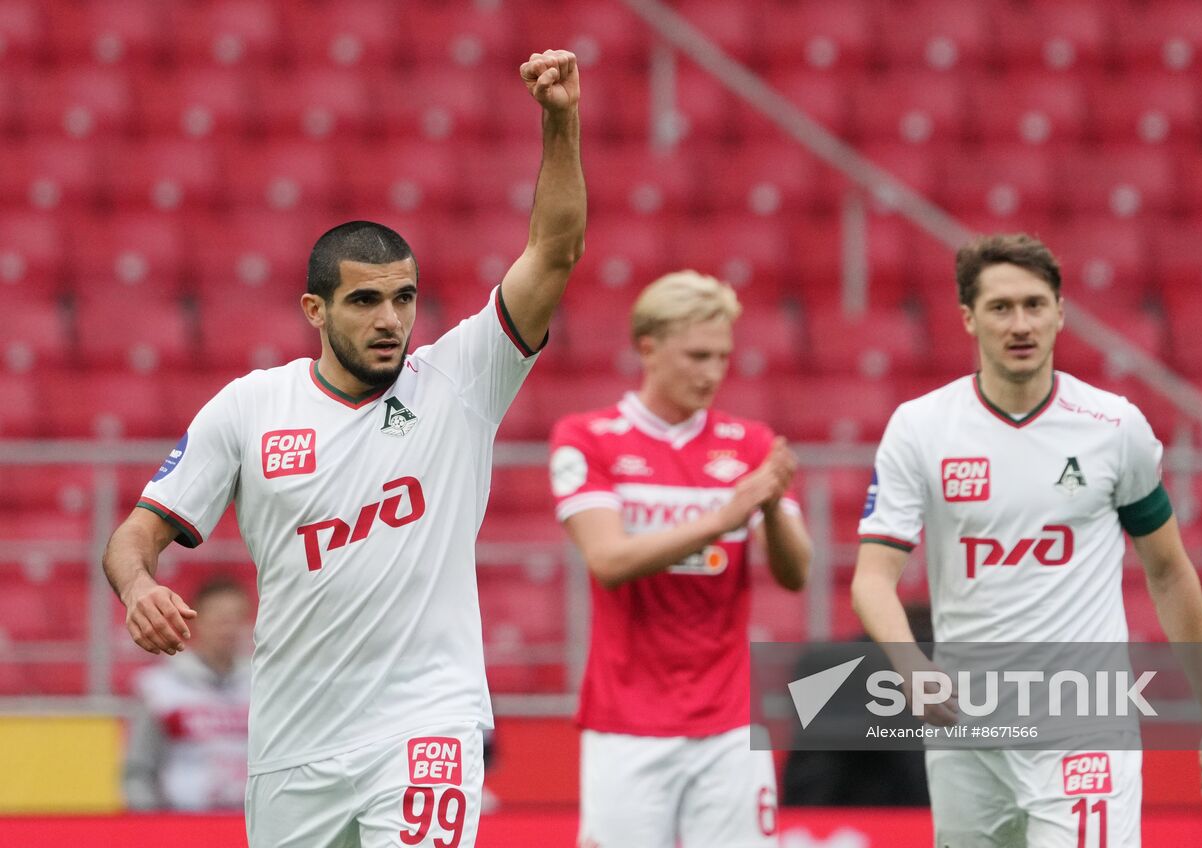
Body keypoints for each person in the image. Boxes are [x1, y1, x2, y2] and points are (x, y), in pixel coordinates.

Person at [101, 50, 585, 848]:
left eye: (403, 298)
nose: (390, 318)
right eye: (364, 300)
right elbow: (133, 536)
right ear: (315, 310)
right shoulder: (252, 406)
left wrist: (560, 120)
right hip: (293, 743)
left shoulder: (460, 380)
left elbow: (555, 251)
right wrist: (139, 586)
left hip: (426, 723)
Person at [851, 234, 1202, 847]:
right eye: (1000, 308)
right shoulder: (921, 428)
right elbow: (872, 578)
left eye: (1035, 305)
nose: (1020, 323)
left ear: (1060, 312)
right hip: (965, 727)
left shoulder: (1114, 429)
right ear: (968, 319)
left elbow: (1169, 572)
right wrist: (909, 667)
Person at [549, 270, 813, 848]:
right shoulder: (588, 437)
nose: (712, 372)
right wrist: (725, 515)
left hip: (729, 724)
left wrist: (768, 509)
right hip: (626, 724)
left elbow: (796, 575)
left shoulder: (751, 444)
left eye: (722, 357)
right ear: (648, 346)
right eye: (697, 355)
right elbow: (608, 560)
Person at [123, 577, 253, 812]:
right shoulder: (161, 687)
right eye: (220, 619)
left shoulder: (261, 685)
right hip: (182, 822)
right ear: (197, 621)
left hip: (248, 823)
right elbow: (139, 769)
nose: (229, 628)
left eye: (236, 619)